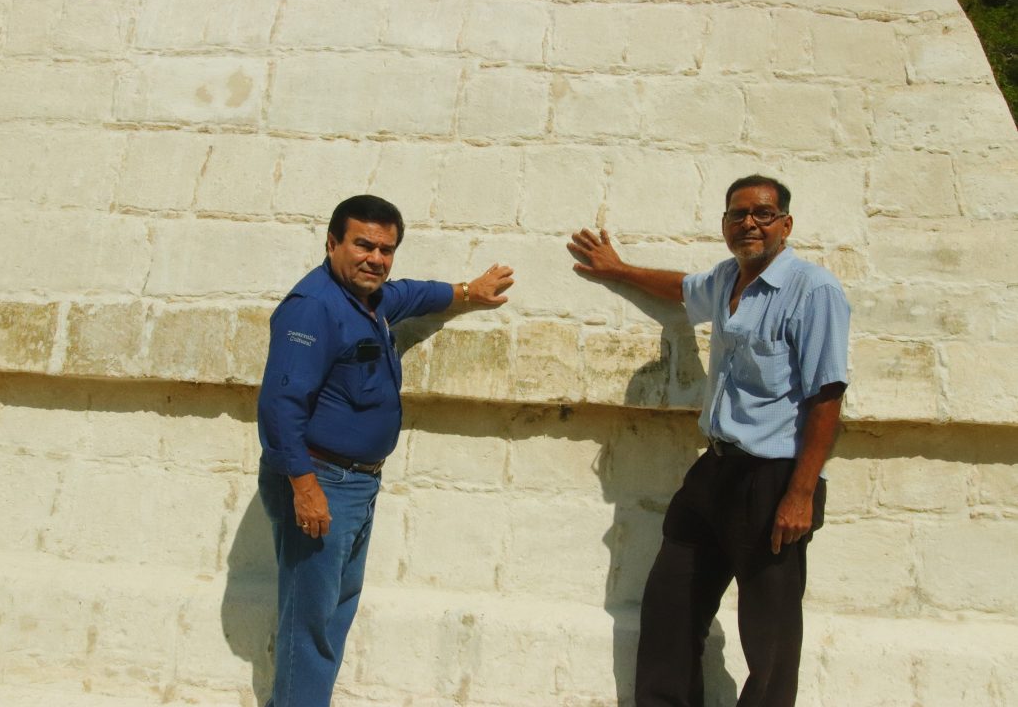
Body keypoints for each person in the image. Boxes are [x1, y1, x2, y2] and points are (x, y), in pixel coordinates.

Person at [568, 175, 849, 707]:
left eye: (763, 214)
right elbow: (681, 288)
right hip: (714, 468)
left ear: (785, 224)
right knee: (670, 606)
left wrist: (801, 493)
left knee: (769, 635)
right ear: (724, 224)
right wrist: (618, 269)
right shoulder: (726, 279)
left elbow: (827, 397)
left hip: (775, 478)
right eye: (737, 214)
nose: (749, 223)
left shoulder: (814, 290)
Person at [257, 194, 514, 707]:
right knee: (309, 626)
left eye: (386, 249)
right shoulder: (314, 308)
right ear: (332, 243)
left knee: (334, 614)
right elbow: (280, 406)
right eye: (363, 245)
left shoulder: (370, 300)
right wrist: (305, 488)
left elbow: (413, 294)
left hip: (356, 484)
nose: (375, 258)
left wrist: (467, 291)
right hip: (320, 483)